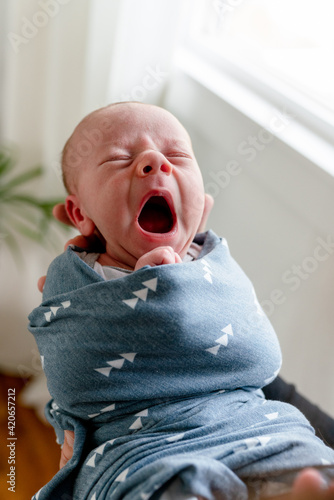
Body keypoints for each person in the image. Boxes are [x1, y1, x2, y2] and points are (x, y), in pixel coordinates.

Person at [29, 102, 334, 500]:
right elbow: (74, 375)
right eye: (120, 159)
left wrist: (174, 285)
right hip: (145, 449)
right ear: (79, 213)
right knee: (172, 484)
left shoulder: (213, 260)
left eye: (176, 156)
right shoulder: (80, 278)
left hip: (259, 427)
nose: (155, 161)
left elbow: (260, 356)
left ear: (202, 206)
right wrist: (156, 292)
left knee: (308, 458)